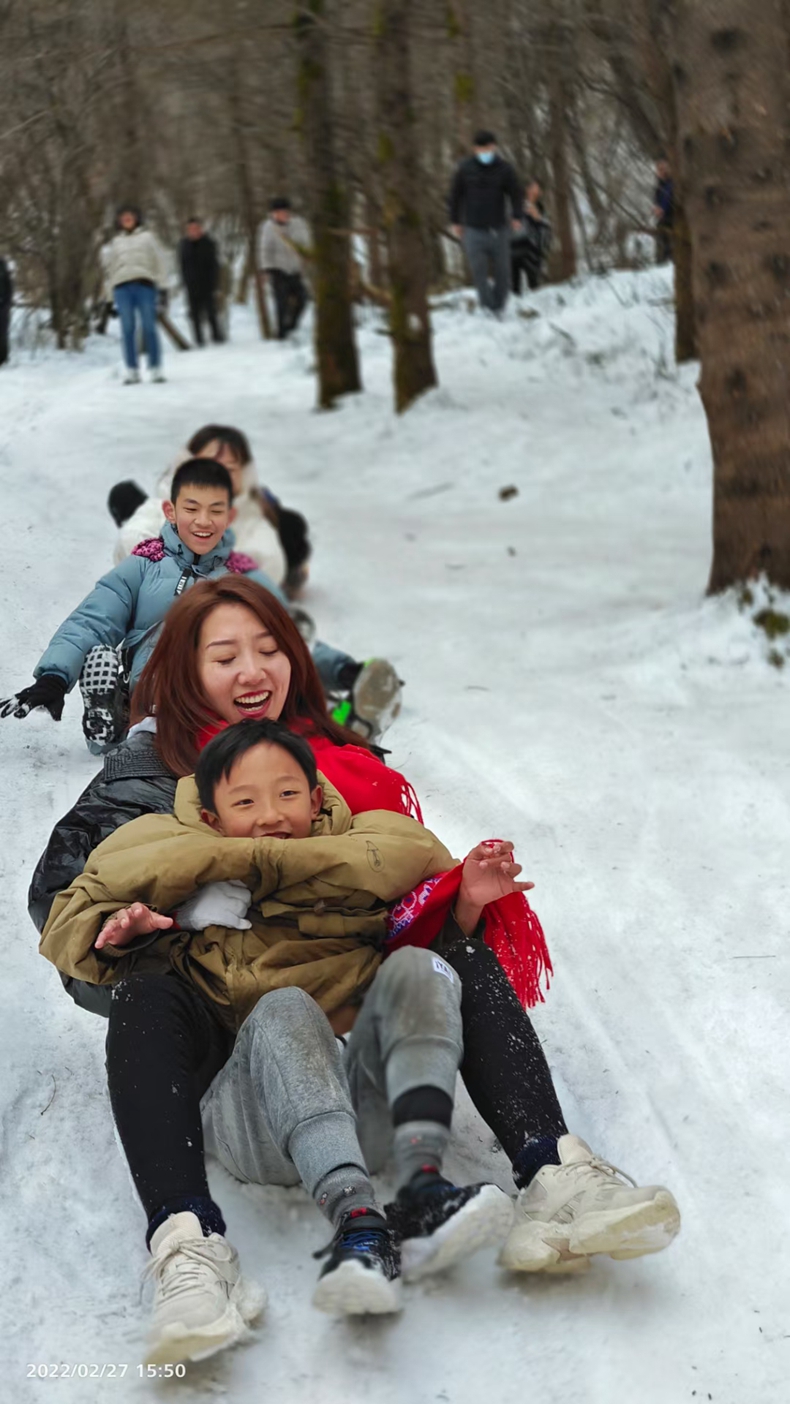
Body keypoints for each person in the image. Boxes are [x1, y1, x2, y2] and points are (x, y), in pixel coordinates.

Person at [29, 578, 681, 1279]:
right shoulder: (151, 774)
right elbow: (67, 904)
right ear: (185, 672)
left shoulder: (336, 767)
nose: (252, 671)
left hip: (367, 1061)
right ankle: (192, 1240)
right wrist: (170, 924)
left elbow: (401, 919)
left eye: (270, 648)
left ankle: (554, 1172)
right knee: (216, 1005)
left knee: (450, 957)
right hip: (246, 1062)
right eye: (225, 657)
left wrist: (458, 902)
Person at [40, 717, 514, 1359]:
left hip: (365, 1101)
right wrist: (132, 930)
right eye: (244, 802)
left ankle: (455, 1184)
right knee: (258, 1003)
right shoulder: (164, 856)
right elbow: (73, 921)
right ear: (209, 816)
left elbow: (418, 935)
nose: (270, 816)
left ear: (317, 797)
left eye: (288, 795)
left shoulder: (368, 848)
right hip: (254, 1118)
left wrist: (466, 906)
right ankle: (246, 1238)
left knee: (423, 965)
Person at [105, 424, 399, 735]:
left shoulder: (246, 515)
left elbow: (267, 565)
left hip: (237, 606)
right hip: (175, 620)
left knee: (275, 648)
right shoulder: (162, 509)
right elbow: (131, 542)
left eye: (228, 467)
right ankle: (142, 715)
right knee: (180, 664)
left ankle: (347, 681)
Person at [0, 460, 285, 753]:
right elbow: (94, 619)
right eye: (191, 509)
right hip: (150, 685)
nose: (203, 521)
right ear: (170, 511)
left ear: (230, 515)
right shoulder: (144, 566)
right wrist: (55, 677)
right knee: (167, 638)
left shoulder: (244, 577)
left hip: (217, 689)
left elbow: (290, 636)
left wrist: (334, 670)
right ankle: (118, 715)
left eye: (215, 510)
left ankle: (149, 725)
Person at [449, 131, 523, 314]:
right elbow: (455, 196)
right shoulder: (465, 169)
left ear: (494, 147)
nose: (486, 152)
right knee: (479, 273)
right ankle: (488, 309)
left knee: (503, 274)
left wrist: (517, 216)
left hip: (499, 229)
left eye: (489, 149)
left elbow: (515, 194)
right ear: (475, 149)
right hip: (473, 230)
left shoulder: (505, 169)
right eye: (482, 149)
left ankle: (500, 306)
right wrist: (455, 221)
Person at [102, 205, 167, 384]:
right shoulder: (115, 242)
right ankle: (132, 370)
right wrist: (109, 300)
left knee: (149, 327)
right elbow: (110, 271)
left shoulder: (148, 237)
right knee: (127, 329)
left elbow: (160, 262)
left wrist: (163, 289)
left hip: (144, 285)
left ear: (137, 218)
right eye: (123, 217)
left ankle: (155, 368)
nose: (127, 219)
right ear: (119, 221)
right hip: (122, 288)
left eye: (130, 216)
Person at [257, 199, 310, 340]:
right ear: (273, 214)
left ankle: (292, 325)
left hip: (295, 268)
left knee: (303, 298)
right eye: (278, 213)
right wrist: (266, 269)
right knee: (281, 302)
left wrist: (305, 257)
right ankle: (281, 333)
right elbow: (265, 249)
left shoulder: (299, 224)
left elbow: (305, 243)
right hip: (277, 268)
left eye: (285, 212)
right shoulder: (268, 227)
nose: (282, 215)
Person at [178, 217, 223, 346]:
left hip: (207, 283)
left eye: (196, 228)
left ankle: (217, 337)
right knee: (195, 314)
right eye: (191, 229)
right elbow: (182, 265)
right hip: (191, 285)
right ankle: (199, 340)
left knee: (211, 312)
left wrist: (214, 282)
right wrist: (185, 281)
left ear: (201, 229)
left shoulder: (209, 243)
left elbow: (214, 264)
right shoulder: (184, 244)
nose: (194, 231)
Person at [511, 181, 552, 293]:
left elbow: (546, 233)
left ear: (540, 193)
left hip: (532, 252)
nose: (532, 191)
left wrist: (538, 218)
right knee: (513, 290)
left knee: (535, 288)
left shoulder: (541, 209)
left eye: (535, 189)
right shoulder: (516, 205)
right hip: (513, 250)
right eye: (530, 188)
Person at [653, 157, 674, 265]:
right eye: (659, 170)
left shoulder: (672, 184)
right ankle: (662, 260)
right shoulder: (659, 186)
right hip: (663, 219)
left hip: (672, 218)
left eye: (663, 169)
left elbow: (668, 198)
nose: (662, 172)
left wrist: (662, 209)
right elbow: (657, 200)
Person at [0, 256, 12, 366]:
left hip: (2, 305)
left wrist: (7, 302)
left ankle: (3, 358)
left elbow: (9, 285)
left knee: (2, 332)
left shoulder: (3, 265)